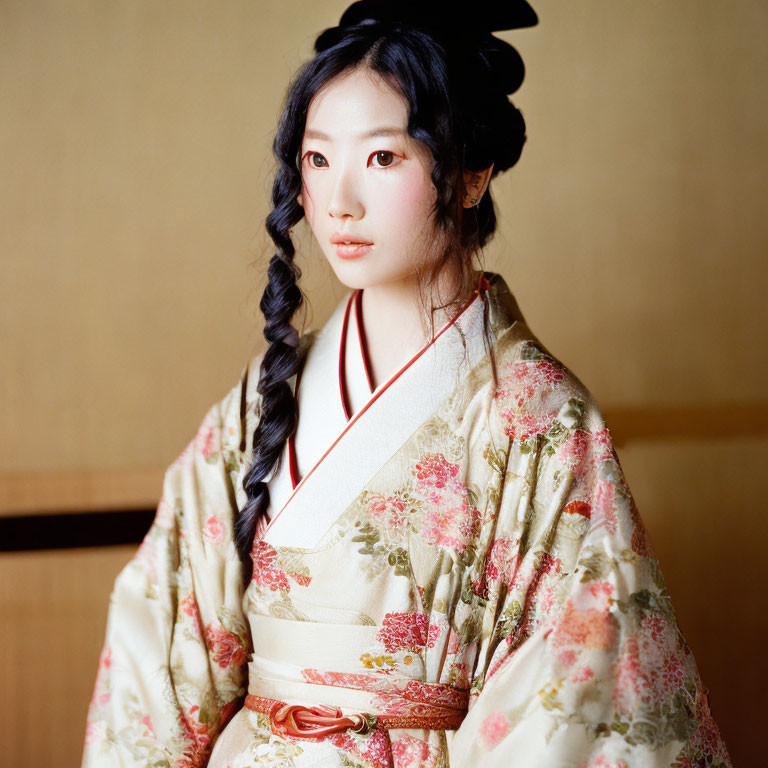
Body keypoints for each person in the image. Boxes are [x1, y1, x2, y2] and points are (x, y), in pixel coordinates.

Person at [81, 1, 732, 766]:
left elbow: (579, 693)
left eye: (383, 158)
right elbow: (161, 641)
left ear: (470, 174)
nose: (338, 202)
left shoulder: (539, 419)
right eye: (318, 160)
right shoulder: (272, 389)